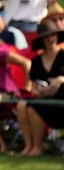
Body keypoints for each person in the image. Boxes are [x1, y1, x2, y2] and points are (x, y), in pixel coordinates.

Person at [19, 21, 64, 156]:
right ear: (42, 40)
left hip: (62, 100)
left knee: (32, 107)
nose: (50, 39)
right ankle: (33, 146)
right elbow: (33, 85)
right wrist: (39, 90)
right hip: (44, 100)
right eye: (46, 36)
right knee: (25, 106)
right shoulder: (36, 60)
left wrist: (61, 80)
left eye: (52, 35)